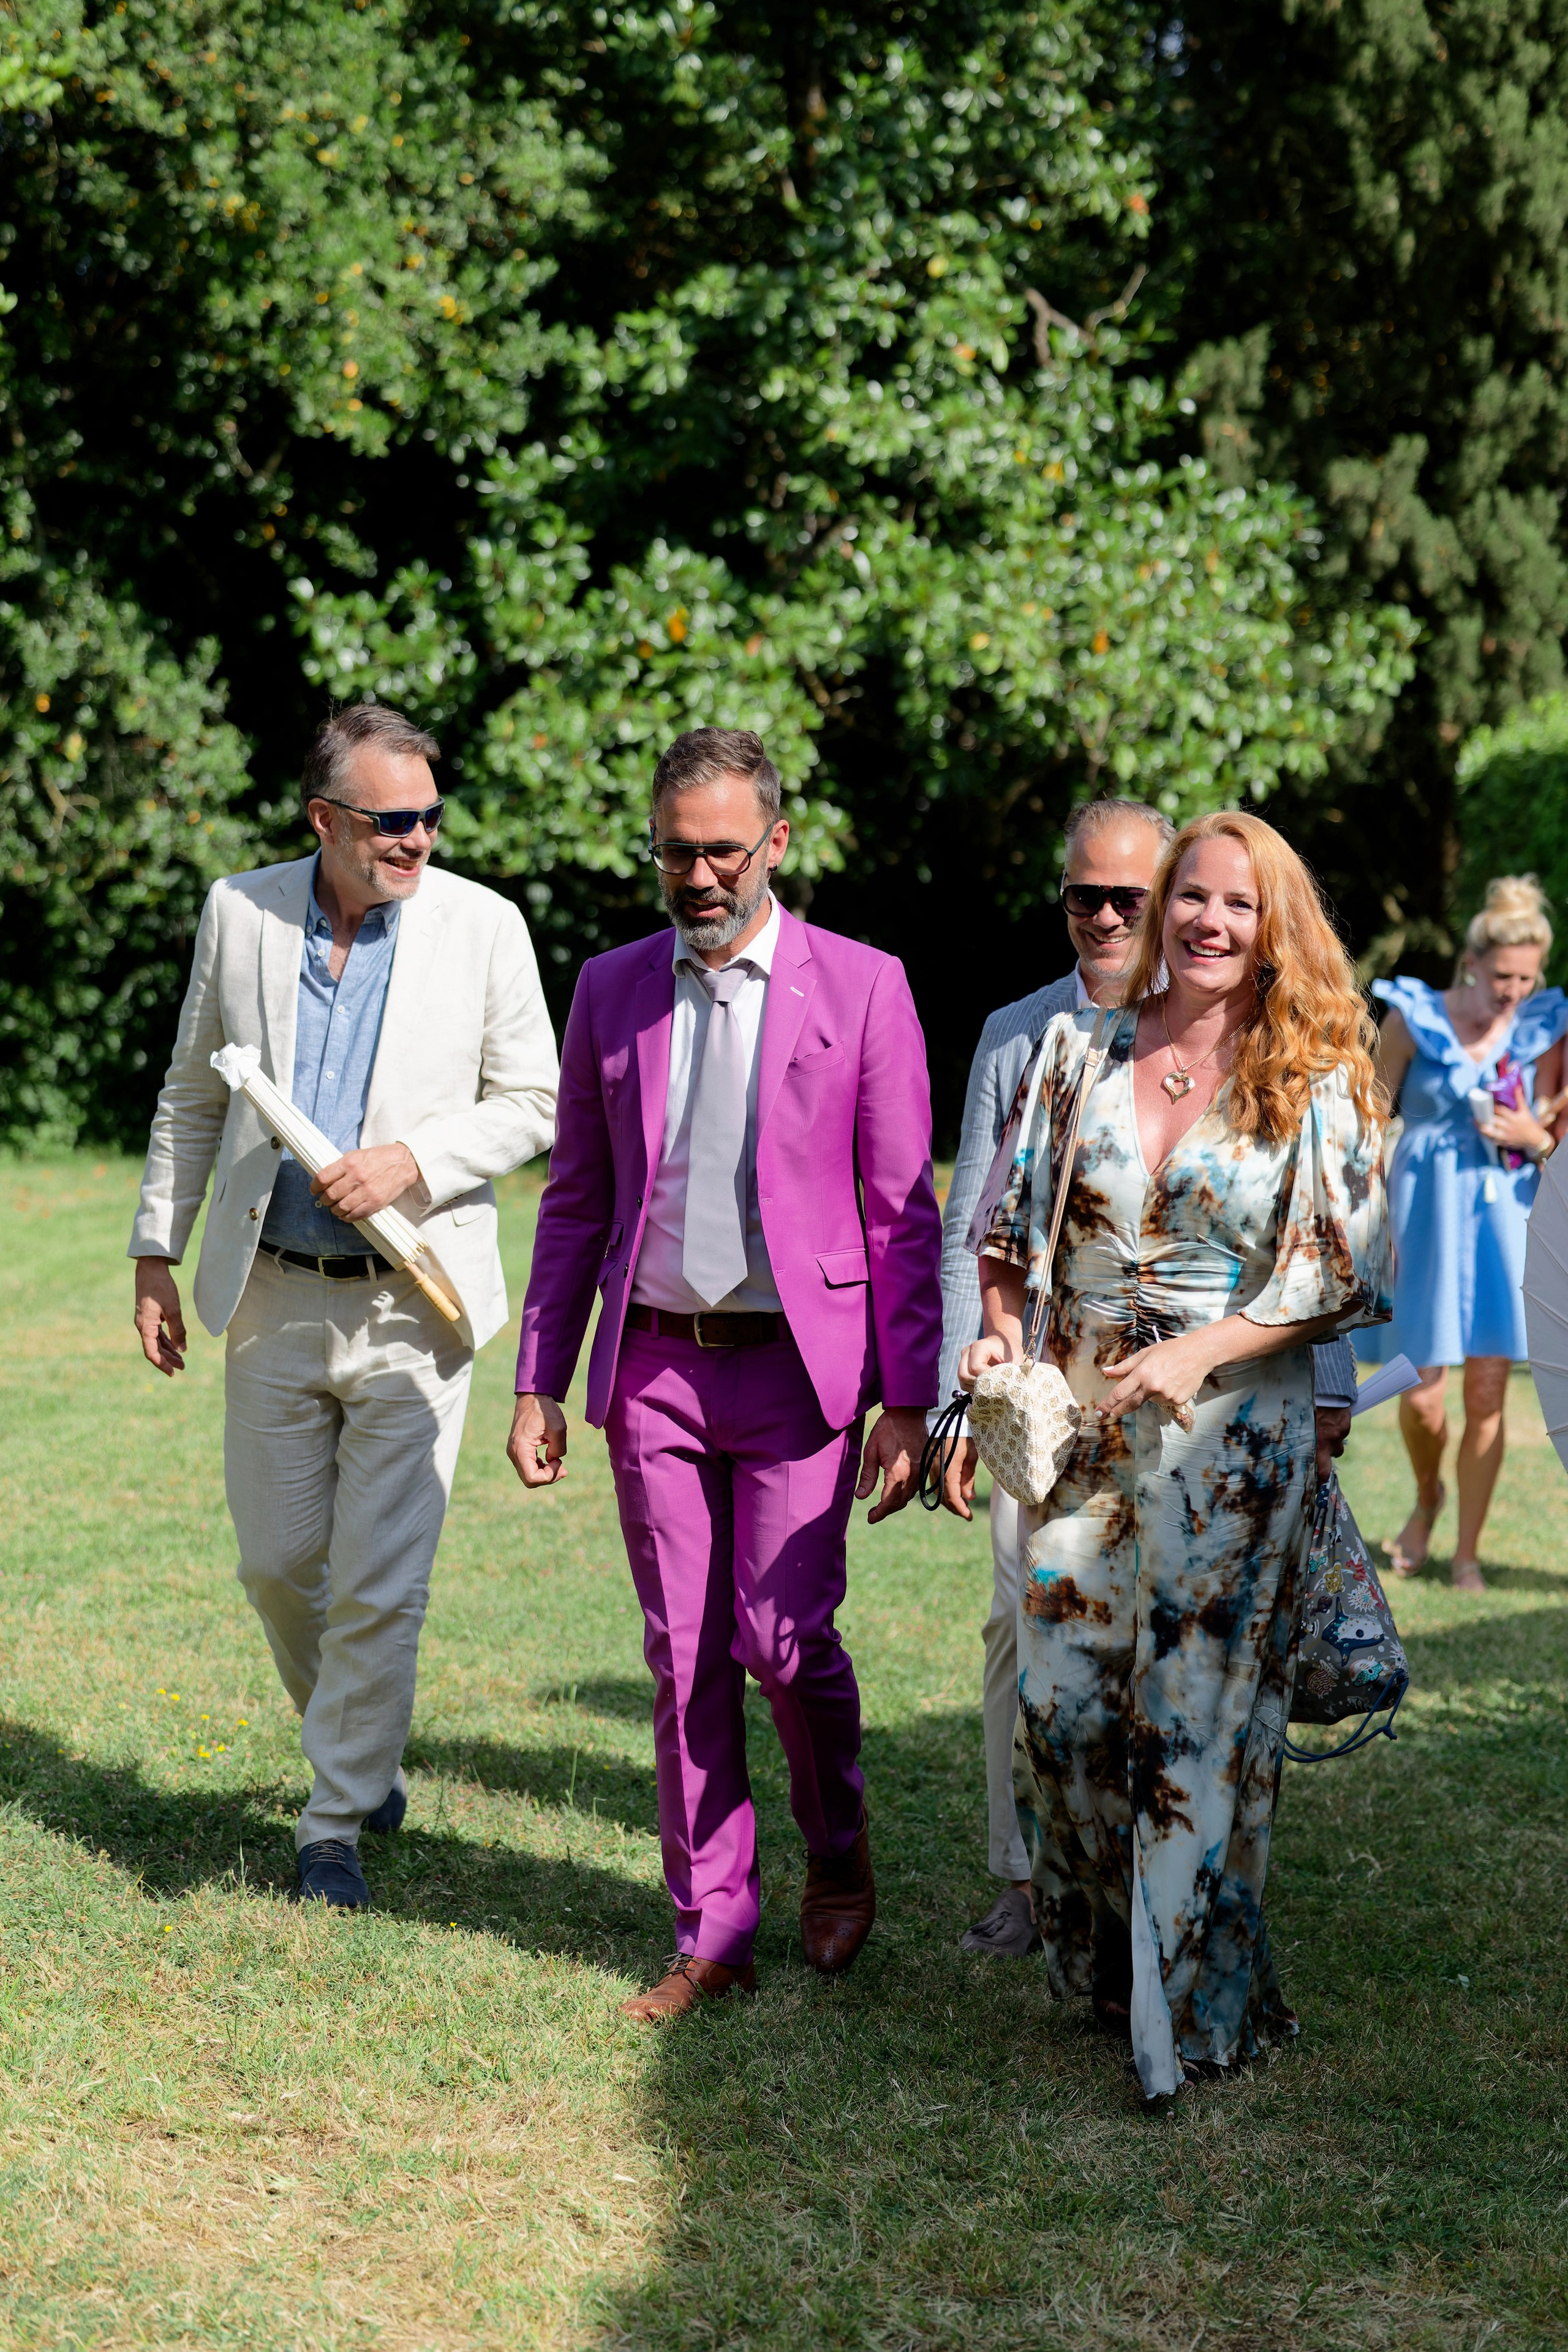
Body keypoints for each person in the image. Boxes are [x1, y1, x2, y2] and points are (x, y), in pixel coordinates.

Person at [509, 726, 942, 2023]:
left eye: (719, 851)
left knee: (779, 1640)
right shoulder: (610, 988)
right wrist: (540, 1373)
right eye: (673, 852)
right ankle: (715, 1926)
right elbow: (575, 1198)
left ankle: (840, 1848)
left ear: (774, 845)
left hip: (798, 1373)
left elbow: (898, 1214)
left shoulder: (862, 987)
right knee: (680, 1652)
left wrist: (908, 1399)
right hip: (654, 1364)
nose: (696, 876)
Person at [961, 811, 1389, 2098]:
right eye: (1188, 898)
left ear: (1274, 930)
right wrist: (996, 1343)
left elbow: (1340, 1268)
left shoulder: (1311, 1067)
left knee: (1191, 1732)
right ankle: (1107, 1968)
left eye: (1237, 906)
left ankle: (1184, 2021)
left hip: (1229, 1447)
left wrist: (1199, 1353)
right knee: (1063, 1709)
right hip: (1083, 1433)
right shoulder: (1071, 1050)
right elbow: (1003, 1238)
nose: (1207, 922)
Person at [130, 703, 559, 1908]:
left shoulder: (483, 928)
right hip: (268, 1292)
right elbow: (190, 1093)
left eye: (430, 816)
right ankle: (361, 1748)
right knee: (275, 1565)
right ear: (324, 819)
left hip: (415, 1302)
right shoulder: (239, 911)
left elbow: (536, 1101)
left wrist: (414, 1159)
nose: (419, 838)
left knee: (379, 1579)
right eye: (391, 820)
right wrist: (155, 1250)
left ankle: (335, 1824)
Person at [1371, 876, 1568, 1592]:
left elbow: (1556, 1134)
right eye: (1502, 976)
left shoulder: (1546, 1026)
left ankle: (1466, 1553)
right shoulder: (1413, 1017)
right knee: (1422, 1393)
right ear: (1472, 963)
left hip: (1504, 1216)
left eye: (1527, 977)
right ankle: (1428, 1495)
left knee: (1487, 1393)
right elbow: (1366, 1121)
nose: (1514, 991)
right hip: (1426, 1215)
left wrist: (1533, 1135)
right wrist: (1369, 1219)